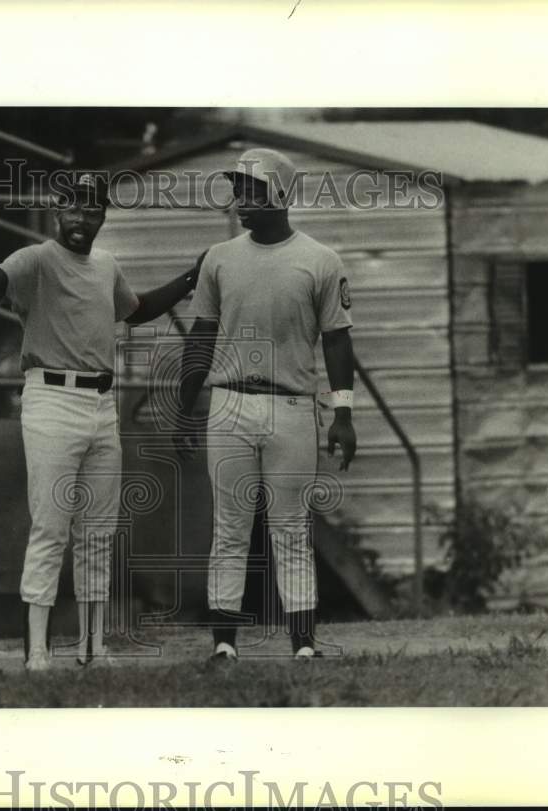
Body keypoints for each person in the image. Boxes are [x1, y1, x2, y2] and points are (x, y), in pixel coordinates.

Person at [0, 172, 201, 671]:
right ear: (58, 212)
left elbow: (135, 312)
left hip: (101, 403)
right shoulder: (37, 260)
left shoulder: (106, 266)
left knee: (99, 530)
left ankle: (94, 647)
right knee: (51, 525)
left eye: (90, 209)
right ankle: (37, 650)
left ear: (101, 216)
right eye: (72, 208)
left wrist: (189, 278)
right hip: (51, 398)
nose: (80, 218)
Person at [174, 148, 357, 661]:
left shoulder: (320, 260)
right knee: (229, 528)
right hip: (229, 403)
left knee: (291, 528)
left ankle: (303, 645)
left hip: (292, 406)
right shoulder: (220, 258)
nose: (240, 201)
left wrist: (343, 413)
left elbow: (338, 341)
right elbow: (201, 336)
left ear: (279, 192)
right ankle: (225, 646)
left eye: (252, 190)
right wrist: (185, 405)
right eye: (238, 189)